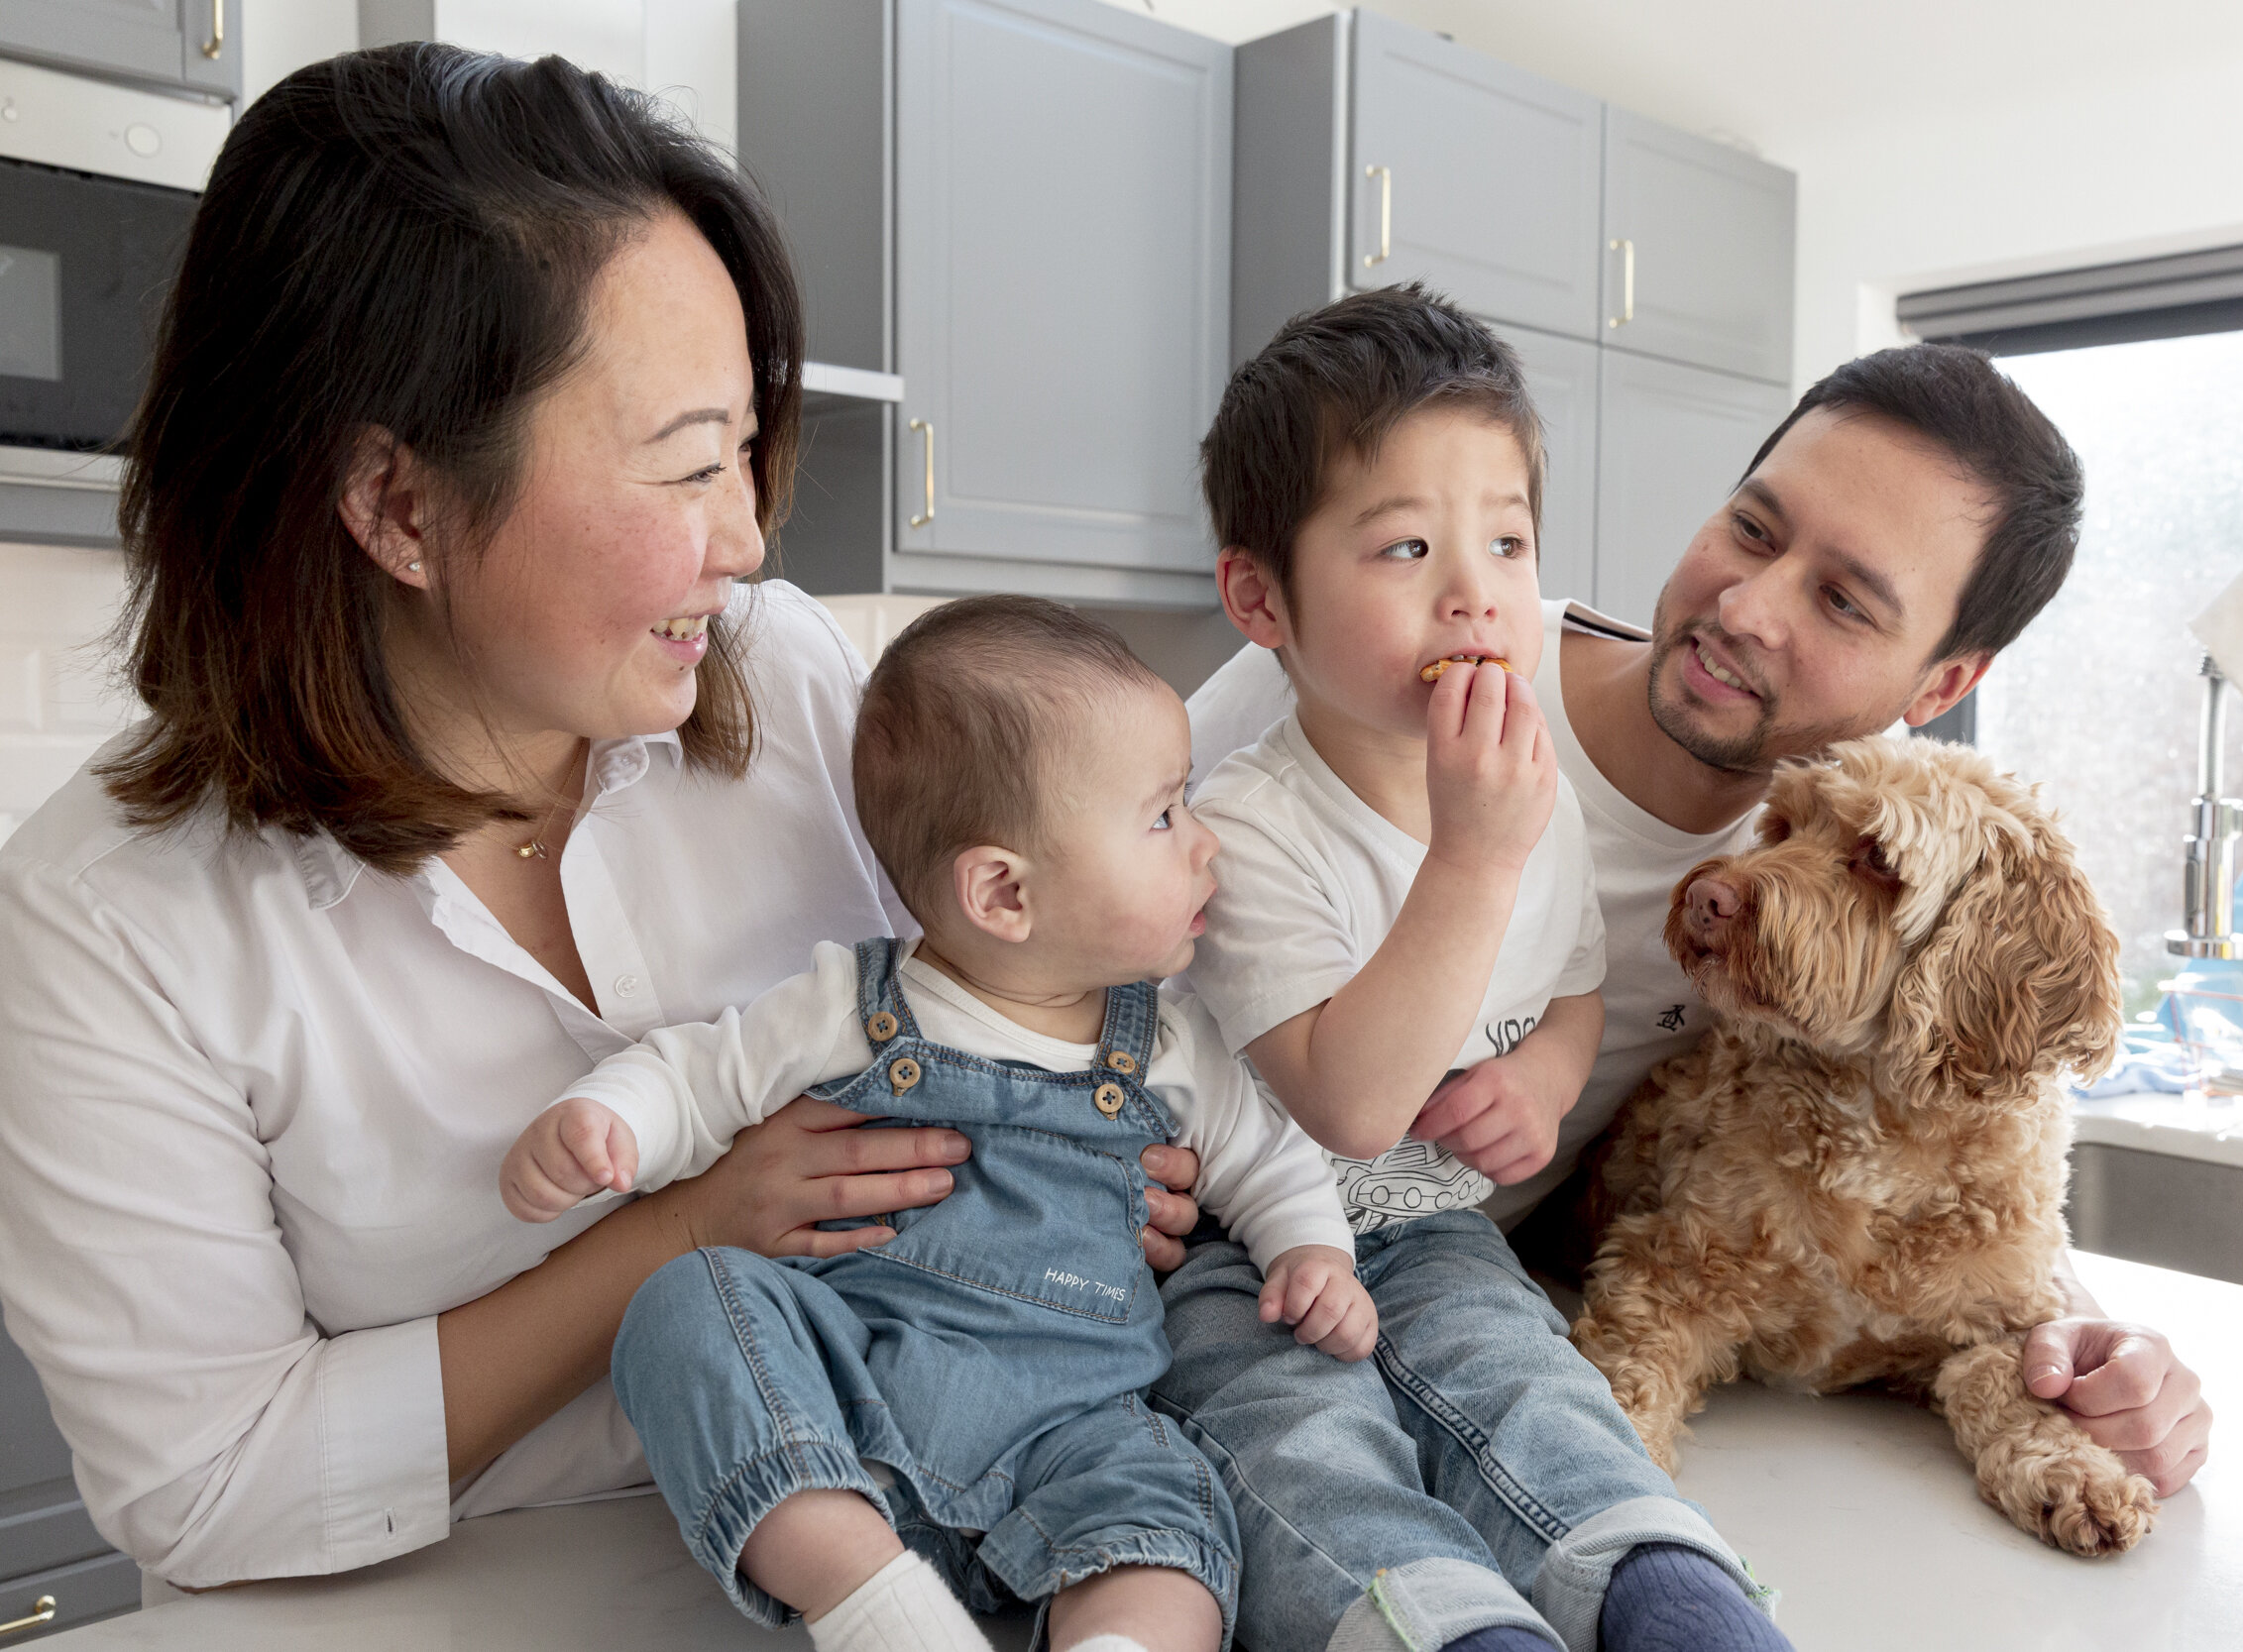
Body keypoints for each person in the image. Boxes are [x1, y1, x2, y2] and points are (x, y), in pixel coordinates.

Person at [0, 47, 1208, 1589]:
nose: (751, 535)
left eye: (746, 452)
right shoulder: (106, 915)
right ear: (400, 508)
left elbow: (1021, 984)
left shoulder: (794, 679)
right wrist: (685, 1228)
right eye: (690, 466)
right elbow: (209, 1481)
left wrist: (1097, 1154)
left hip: (954, 1529)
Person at [1184, 315, 2215, 1504]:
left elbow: (1925, 1130)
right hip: (1210, 1248)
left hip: (1447, 1299)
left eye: (1842, 600)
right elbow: (997, 883)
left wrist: (2084, 1339)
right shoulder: (1374, 665)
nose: (1747, 607)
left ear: (1938, 687)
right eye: (1751, 528)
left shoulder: (1823, 907)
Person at [500, 598, 1371, 1652]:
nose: (1203, 842)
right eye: (1163, 814)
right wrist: (607, 1119)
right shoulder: (850, 1005)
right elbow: (699, 1077)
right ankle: (871, 1601)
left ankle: (1117, 1639)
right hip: (849, 1409)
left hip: (1080, 1431)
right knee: (682, 1302)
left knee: (1170, 1523)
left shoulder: (1171, 1041)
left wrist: (1313, 1250)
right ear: (1003, 890)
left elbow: (1269, 1158)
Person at [1164, 287, 1793, 1652]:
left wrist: (1546, 1074)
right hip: (1242, 1245)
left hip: (1439, 1229)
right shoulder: (1248, 825)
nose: (1475, 592)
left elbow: (1576, 978)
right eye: (1405, 546)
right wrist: (1470, 860)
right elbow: (1348, 1102)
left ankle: (1676, 1603)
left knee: (1535, 1392)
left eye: (1507, 541)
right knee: (1299, 1448)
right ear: (1258, 596)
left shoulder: (1526, 787)